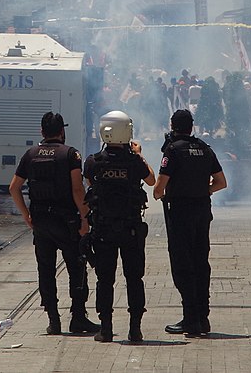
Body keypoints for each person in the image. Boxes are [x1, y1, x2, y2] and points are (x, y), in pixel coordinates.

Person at [8, 111, 99, 336]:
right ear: (62, 131)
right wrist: (85, 218)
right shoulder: (70, 154)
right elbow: (78, 189)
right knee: (76, 269)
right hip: (67, 221)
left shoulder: (30, 155)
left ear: (41, 132)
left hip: (41, 222)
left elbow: (14, 187)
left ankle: (53, 320)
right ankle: (78, 318)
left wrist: (26, 215)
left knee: (46, 271)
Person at [83, 110, 156, 344]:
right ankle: (135, 329)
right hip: (130, 228)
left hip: (103, 229)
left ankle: (105, 329)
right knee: (134, 279)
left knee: (105, 280)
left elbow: (90, 185)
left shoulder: (93, 161)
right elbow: (152, 180)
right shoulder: (135, 162)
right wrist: (139, 154)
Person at [153, 108, 227, 338]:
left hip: (180, 214)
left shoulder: (173, 151)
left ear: (173, 126)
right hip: (202, 211)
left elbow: (158, 190)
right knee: (200, 263)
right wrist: (201, 190)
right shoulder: (205, 149)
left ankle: (190, 319)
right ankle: (202, 318)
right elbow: (221, 182)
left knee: (183, 266)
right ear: (191, 127)